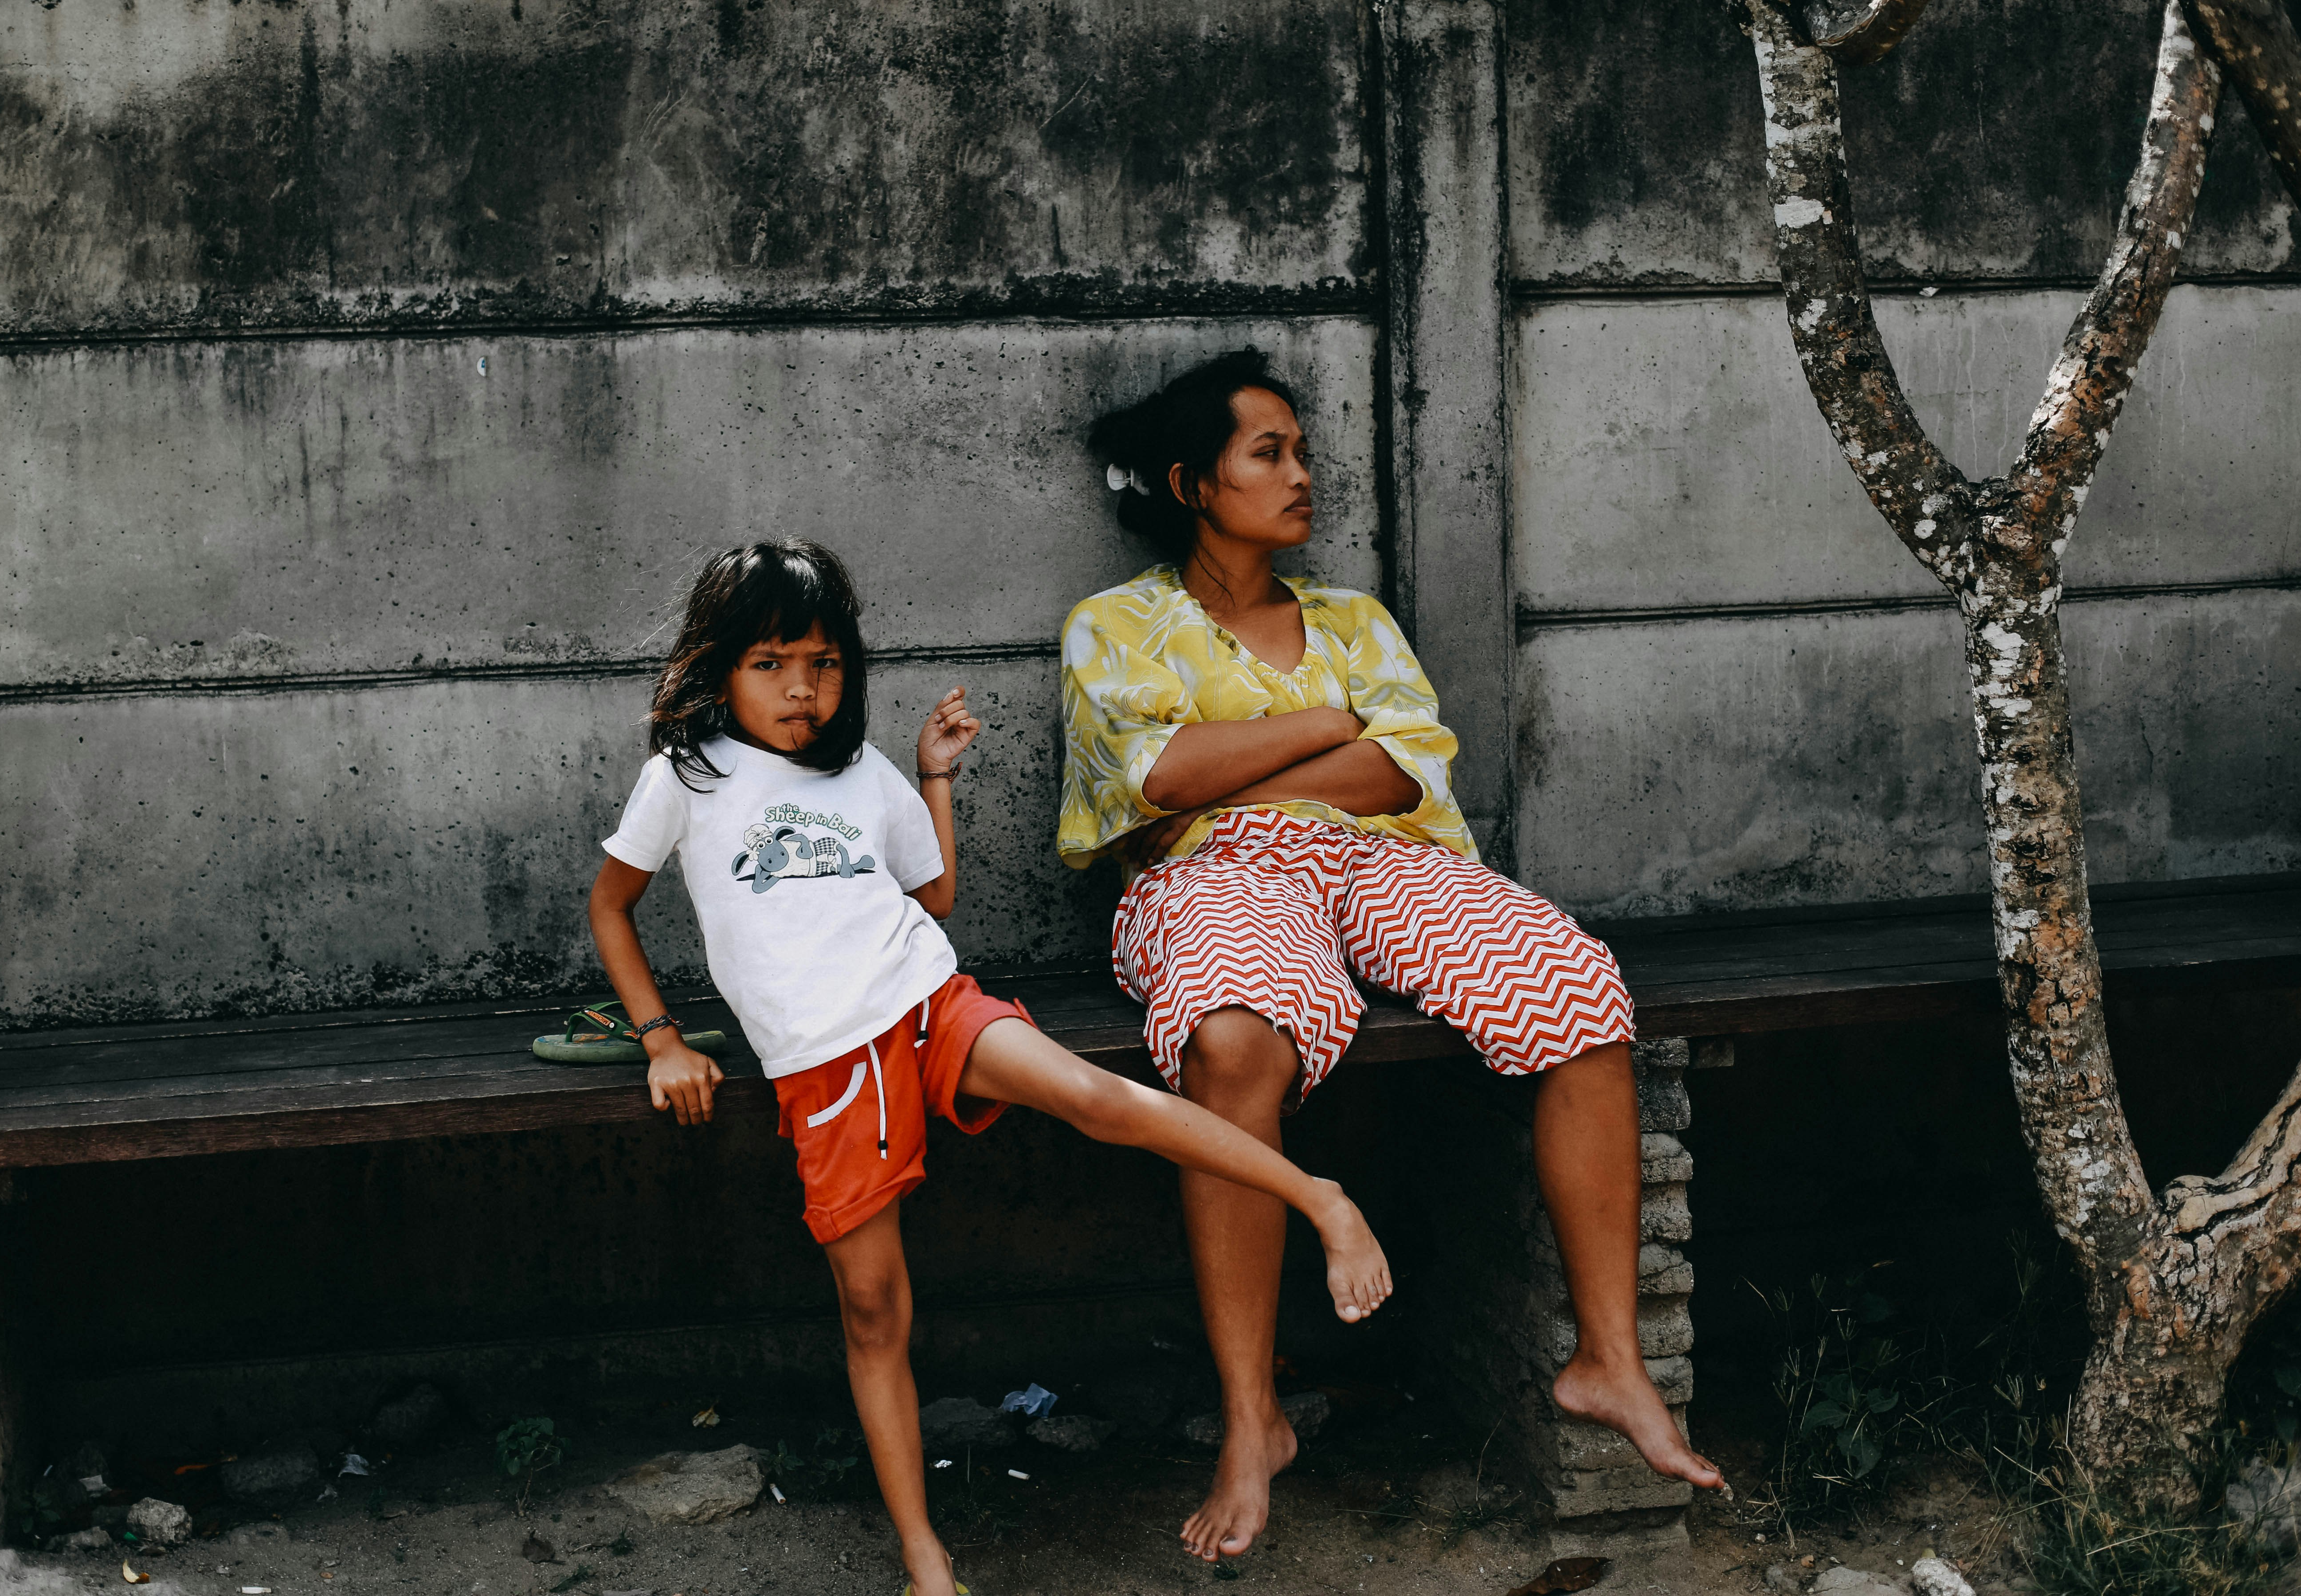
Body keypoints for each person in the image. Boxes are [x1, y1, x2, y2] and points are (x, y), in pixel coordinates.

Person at [586, 538, 1395, 1596]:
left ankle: (1321, 1200)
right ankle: (928, 1562)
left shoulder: (862, 773)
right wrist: (660, 1039)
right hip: (826, 1070)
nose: (802, 688)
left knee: (1097, 1096)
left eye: (824, 664)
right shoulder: (686, 777)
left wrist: (931, 778)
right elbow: (613, 905)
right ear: (721, 667)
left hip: (927, 1003)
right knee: (876, 1313)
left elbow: (931, 901)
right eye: (773, 662)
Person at [1061, 352, 1725, 1563]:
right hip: (1215, 877)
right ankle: (1254, 1419)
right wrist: (1322, 722)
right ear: (1190, 482)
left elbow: (1400, 772)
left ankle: (1608, 1360)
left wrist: (1242, 755)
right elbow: (1150, 790)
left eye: (1302, 451)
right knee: (1232, 1039)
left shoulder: (1354, 623)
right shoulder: (1117, 629)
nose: (1302, 475)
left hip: (1383, 861)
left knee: (1575, 988)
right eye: (1270, 453)